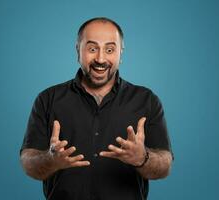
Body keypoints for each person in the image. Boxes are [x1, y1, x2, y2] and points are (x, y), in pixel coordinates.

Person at [20, 17, 173, 200]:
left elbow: (165, 166)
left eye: (109, 49)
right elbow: (28, 163)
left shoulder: (146, 100)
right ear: (78, 51)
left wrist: (142, 158)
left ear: (120, 54)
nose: (100, 58)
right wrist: (51, 160)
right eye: (92, 49)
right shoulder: (48, 99)